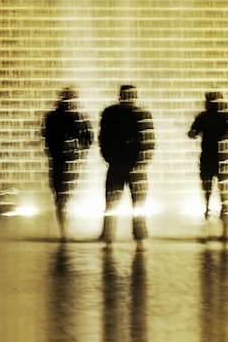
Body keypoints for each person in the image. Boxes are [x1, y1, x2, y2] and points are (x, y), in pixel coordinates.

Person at [99, 84, 155, 242]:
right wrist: (142, 162)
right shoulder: (142, 114)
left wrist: (109, 158)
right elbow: (149, 140)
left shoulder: (109, 113)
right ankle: (139, 237)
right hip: (135, 166)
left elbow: (103, 138)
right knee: (138, 202)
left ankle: (108, 236)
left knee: (111, 200)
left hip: (116, 164)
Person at [42, 87, 94, 237]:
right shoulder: (77, 116)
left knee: (62, 194)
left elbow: (88, 138)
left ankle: (63, 226)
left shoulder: (55, 116)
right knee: (63, 194)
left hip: (63, 161)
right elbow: (88, 138)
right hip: (66, 161)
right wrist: (78, 149)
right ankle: (63, 227)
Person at [188, 91, 228, 232]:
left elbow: (192, 133)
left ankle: (207, 208)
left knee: (207, 185)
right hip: (223, 157)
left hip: (208, 157)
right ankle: (224, 209)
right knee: (223, 187)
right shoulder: (226, 115)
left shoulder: (204, 116)